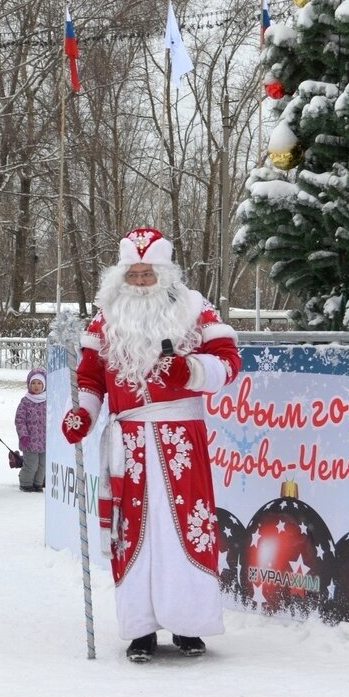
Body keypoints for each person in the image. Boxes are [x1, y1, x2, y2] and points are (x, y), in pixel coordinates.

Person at [61, 227, 241, 663]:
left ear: (166, 273)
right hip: (129, 442)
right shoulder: (104, 319)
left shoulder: (197, 310)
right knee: (133, 533)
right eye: (134, 274)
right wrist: (83, 413)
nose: (141, 283)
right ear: (121, 278)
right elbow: (90, 379)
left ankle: (188, 626)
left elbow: (229, 363)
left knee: (185, 531)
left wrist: (192, 371)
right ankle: (140, 630)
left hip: (182, 441)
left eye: (148, 274)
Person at [14, 366, 47, 493]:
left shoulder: (47, 401)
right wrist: (23, 435)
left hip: (44, 441)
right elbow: (20, 420)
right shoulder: (26, 401)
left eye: (39, 383)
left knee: (42, 465)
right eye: (33, 383)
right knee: (31, 464)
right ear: (29, 384)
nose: (36, 386)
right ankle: (26, 483)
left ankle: (38, 483)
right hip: (30, 440)